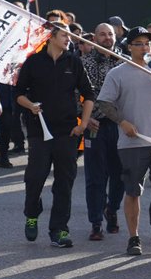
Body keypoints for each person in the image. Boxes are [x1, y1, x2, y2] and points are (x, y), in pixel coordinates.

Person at [15, 24, 95, 248]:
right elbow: (18, 93)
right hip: (39, 131)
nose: (69, 39)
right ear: (50, 38)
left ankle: (59, 230)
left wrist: (84, 124)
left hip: (67, 132)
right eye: (64, 36)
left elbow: (88, 94)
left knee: (64, 182)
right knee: (35, 177)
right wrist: (30, 105)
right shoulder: (33, 62)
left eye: (70, 36)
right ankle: (32, 213)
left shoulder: (73, 61)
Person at [96, 27, 151, 256]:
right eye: (138, 43)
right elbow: (104, 103)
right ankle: (133, 237)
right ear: (129, 47)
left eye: (147, 43)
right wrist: (122, 122)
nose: (144, 47)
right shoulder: (118, 73)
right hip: (132, 141)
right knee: (133, 190)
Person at [81, 23, 125, 240]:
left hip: (120, 125)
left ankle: (112, 209)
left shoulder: (125, 61)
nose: (107, 37)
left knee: (121, 175)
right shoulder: (84, 62)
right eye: (102, 34)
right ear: (94, 38)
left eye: (110, 34)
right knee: (95, 177)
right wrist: (84, 117)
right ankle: (96, 222)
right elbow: (75, 94)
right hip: (94, 126)